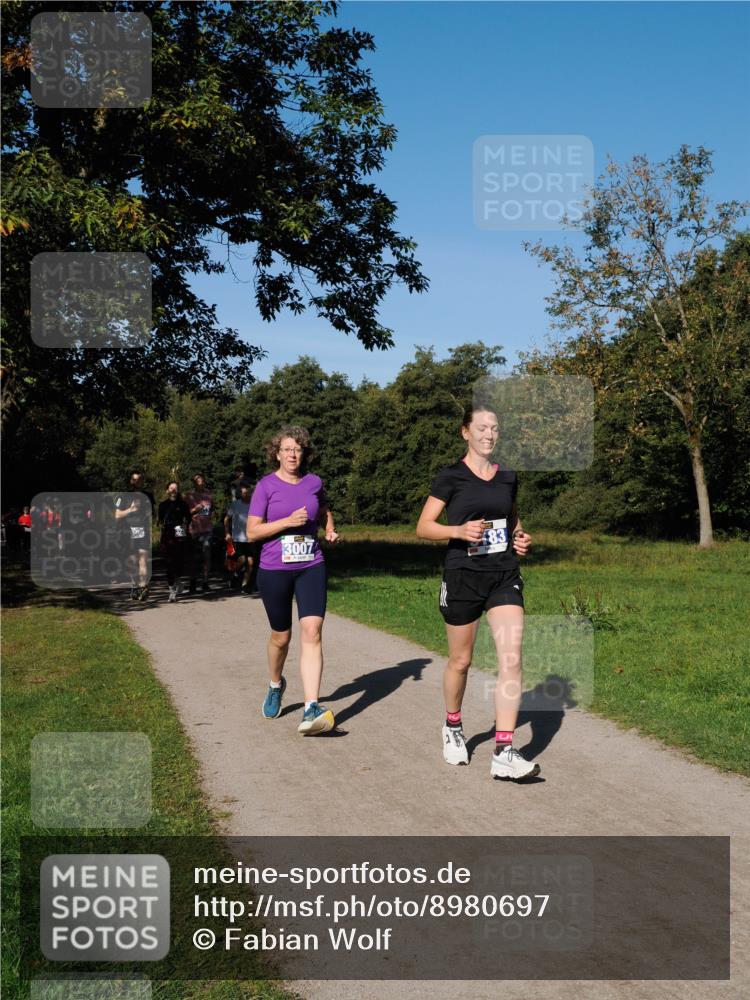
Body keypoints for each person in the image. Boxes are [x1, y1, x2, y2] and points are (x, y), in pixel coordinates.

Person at [416, 404, 538, 781]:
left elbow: (512, 518)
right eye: (482, 428)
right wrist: (457, 531)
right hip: (463, 576)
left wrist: (520, 537)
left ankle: (504, 750)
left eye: (495, 428)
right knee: (461, 661)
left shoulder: (508, 476)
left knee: (511, 658)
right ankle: (453, 725)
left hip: (503, 574)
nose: (489, 434)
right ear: (465, 432)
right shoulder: (450, 477)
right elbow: (423, 526)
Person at [246, 426, 340, 734]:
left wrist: (329, 530)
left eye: (297, 449)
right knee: (281, 637)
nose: (292, 454)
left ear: (304, 453)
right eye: (287, 449)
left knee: (312, 631)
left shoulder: (314, 482)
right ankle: (276, 684)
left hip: (311, 564)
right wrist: (287, 521)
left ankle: (311, 707)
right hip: (274, 568)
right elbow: (252, 531)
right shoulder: (266, 486)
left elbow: (323, 511)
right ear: (277, 454)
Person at [114, 470, 155, 601]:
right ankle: (135, 586)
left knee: (143, 561)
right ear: (131, 481)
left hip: (142, 531)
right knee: (131, 562)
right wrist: (130, 509)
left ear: (142, 481)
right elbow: (117, 515)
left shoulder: (148, 496)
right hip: (127, 532)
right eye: (135, 480)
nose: (138, 482)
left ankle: (143, 588)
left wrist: (150, 532)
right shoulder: (124, 496)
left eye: (140, 480)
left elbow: (150, 516)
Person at [158, 482, 191, 602]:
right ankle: (172, 590)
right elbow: (160, 521)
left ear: (178, 491)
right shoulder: (162, 505)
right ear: (167, 490)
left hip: (179, 531)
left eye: (175, 488)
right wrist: (161, 526)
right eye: (171, 488)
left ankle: (178, 579)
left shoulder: (183, 504)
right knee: (168, 562)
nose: (173, 490)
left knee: (179, 561)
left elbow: (188, 518)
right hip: (167, 534)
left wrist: (184, 526)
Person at [224, 480, 258, 595]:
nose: (246, 495)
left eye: (247, 493)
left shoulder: (255, 504)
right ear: (240, 493)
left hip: (251, 538)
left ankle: (245, 585)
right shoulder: (235, 504)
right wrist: (227, 533)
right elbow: (226, 519)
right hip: (238, 538)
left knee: (251, 562)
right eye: (243, 493)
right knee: (241, 561)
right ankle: (235, 574)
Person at [186, 472, 214, 593]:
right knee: (194, 557)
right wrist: (195, 509)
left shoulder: (209, 494)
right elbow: (186, 513)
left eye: (201, 480)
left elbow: (211, 509)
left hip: (207, 529)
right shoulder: (189, 495)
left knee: (206, 556)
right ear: (194, 483)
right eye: (197, 481)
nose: (200, 482)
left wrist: (210, 515)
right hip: (194, 530)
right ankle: (193, 582)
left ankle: (205, 582)